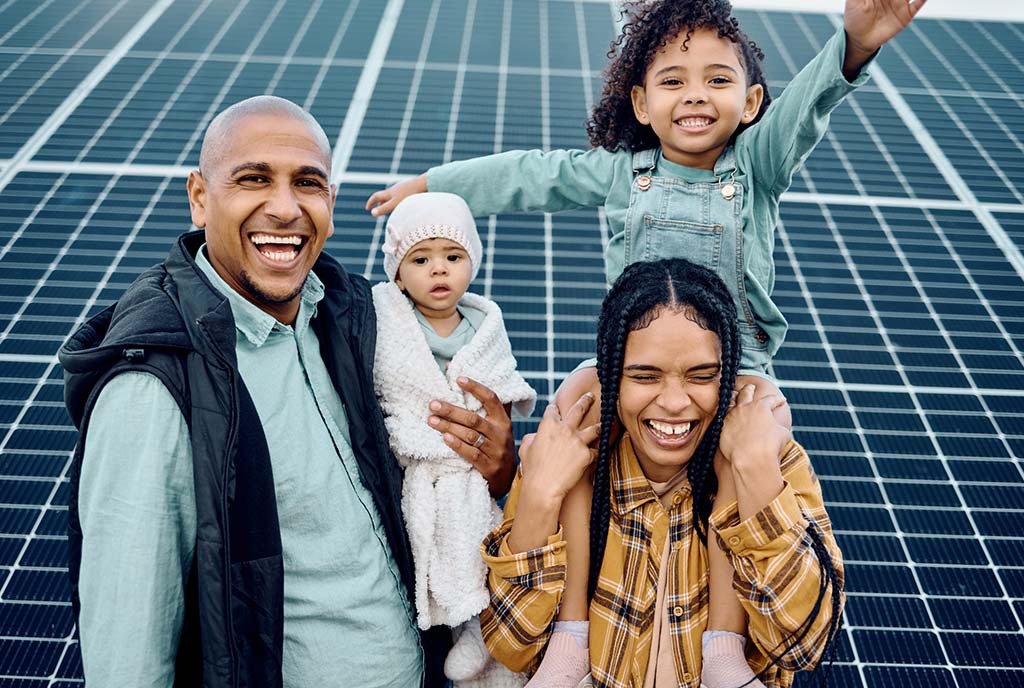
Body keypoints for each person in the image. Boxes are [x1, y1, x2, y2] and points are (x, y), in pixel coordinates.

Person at [365, 1, 921, 685]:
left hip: (738, 374)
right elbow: (531, 175)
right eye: (673, 80)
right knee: (571, 427)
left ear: (750, 103)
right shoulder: (623, 175)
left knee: (743, 467)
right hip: (625, 369)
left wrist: (855, 45)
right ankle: (570, 633)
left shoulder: (757, 168)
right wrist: (434, 185)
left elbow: (806, 107)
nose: (695, 94)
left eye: (718, 81)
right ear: (640, 99)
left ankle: (723, 645)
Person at [58, 96, 517, 688]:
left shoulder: (357, 321)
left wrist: (499, 468)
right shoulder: (156, 383)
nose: (284, 207)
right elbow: (128, 651)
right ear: (200, 197)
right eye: (253, 180)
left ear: (328, 202)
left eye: (307, 183)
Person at [480, 258, 845, 688]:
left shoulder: (773, 462)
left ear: (726, 379)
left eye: (702, 375)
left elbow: (805, 645)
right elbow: (509, 643)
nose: (674, 402)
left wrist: (757, 474)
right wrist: (540, 497)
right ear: (610, 379)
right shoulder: (562, 463)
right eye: (645, 376)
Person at [371, 192, 536, 686]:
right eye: (420, 259)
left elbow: (499, 388)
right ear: (398, 274)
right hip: (419, 466)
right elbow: (390, 387)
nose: (438, 270)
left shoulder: (484, 327)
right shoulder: (389, 323)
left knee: (480, 540)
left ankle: (480, 627)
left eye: (453, 257)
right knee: (426, 540)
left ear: (472, 263)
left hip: (468, 472)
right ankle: (449, 623)